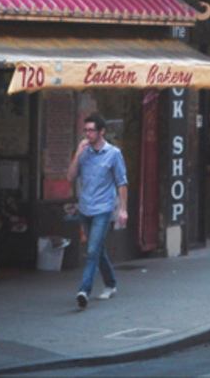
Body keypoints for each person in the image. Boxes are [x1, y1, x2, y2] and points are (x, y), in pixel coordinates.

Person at [67, 113, 127, 309]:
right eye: (85, 130)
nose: (87, 134)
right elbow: (70, 177)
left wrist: (123, 210)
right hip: (85, 207)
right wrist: (77, 153)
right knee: (98, 249)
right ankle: (111, 284)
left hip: (104, 208)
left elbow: (121, 183)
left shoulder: (114, 153)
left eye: (91, 130)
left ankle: (84, 290)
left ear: (102, 132)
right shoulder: (83, 153)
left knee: (92, 250)